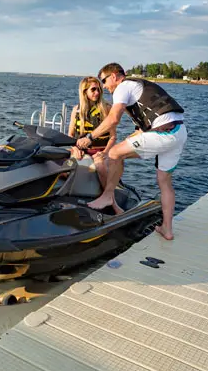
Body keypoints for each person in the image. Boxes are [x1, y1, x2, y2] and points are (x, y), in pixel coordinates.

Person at [75, 62, 187, 240]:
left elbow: (113, 119)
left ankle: (107, 195)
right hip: (179, 132)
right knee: (164, 181)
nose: (104, 86)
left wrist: (89, 137)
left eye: (104, 81)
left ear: (114, 76)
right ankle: (167, 229)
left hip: (164, 132)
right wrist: (125, 142)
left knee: (114, 153)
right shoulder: (137, 90)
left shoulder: (123, 86)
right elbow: (141, 130)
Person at [67, 76, 114, 189]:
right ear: (84, 92)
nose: (97, 93)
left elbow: (113, 137)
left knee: (100, 167)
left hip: (101, 151)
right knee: (65, 167)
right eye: (93, 90)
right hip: (81, 151)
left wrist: (105, 152)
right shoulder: (76, 110)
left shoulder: (107, 108)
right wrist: (75, 149)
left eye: (98, 89)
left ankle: (107, 196)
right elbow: (70, 135)